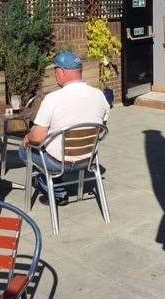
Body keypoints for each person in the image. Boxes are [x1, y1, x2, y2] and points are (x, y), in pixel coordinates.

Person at [20, 51, 110, 205]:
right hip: (88, 159)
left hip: (58, 162)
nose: (55, 75)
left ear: (62, 72)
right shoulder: (99, 95)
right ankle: (56, 186)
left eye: (55, 71)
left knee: (24, 150)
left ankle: (55, 190)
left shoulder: (53, 99)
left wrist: (27, 138)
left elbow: (37, 138)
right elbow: (101, 127)